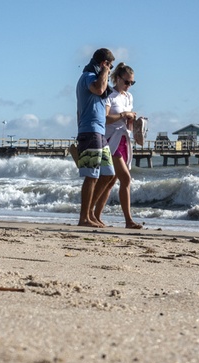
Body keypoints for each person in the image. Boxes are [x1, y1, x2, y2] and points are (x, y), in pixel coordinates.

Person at [93, 63, 142, 229]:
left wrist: (132, 120)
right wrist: (123, 115)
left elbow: (125, 120)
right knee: (125, 178)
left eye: (131, 83)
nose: (128, 86)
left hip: (124, 139)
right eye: (126, 82)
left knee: (111, 181)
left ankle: (95, 215)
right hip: (110, 140)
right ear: (118, 78)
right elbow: (105, 118)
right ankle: (128, 220)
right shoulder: (109, 94)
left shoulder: (129, 97)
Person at [75, 48, 116, 228]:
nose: (111, 70)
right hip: (90, 130)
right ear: (103, 64)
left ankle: (89, 213)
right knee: (92, 176)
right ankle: (84, 218)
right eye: (110, 66)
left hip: (99, 132)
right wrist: (105, 71)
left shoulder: (96, 77)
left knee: (108, 174)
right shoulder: (88, 77)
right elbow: (99, 89)